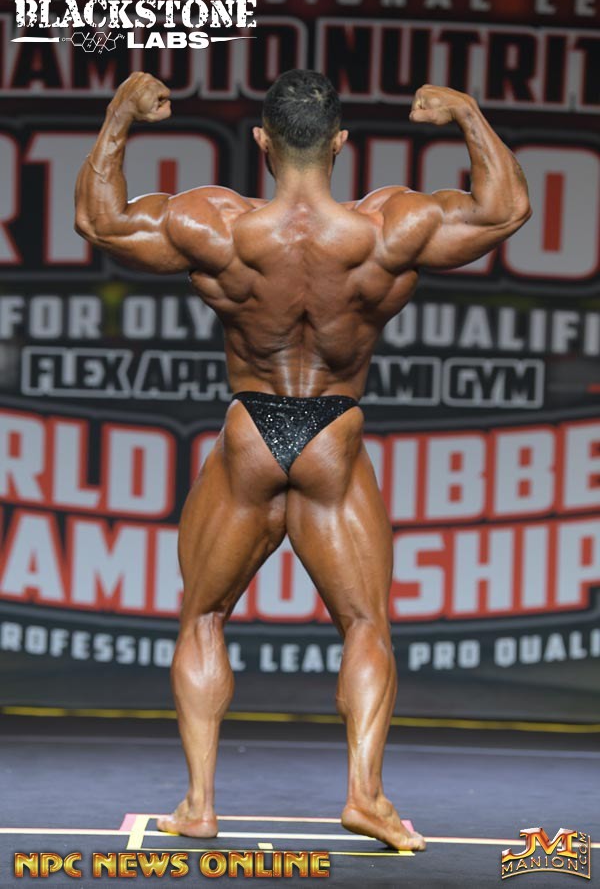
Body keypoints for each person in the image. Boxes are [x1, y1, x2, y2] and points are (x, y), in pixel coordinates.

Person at [74, 69, 531, 852]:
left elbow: (100, 220)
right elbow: (506, 208)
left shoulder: (219, 226)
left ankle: (198, 805)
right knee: (365, 624)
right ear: (341, 143)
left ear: (262, 140)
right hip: (332, 430)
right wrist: (466, 114)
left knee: (204, 617)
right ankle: (365, 796)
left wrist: (121, 114)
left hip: (252, 428)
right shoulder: (386, 228)